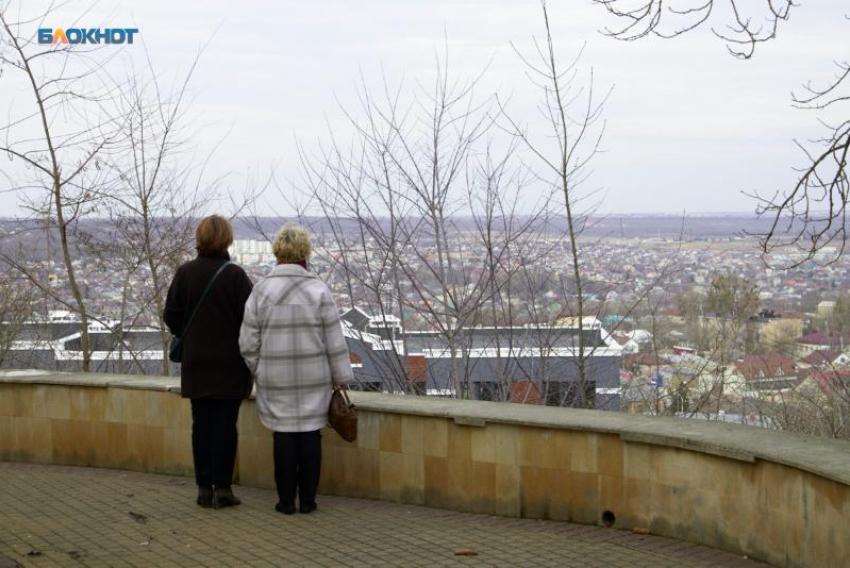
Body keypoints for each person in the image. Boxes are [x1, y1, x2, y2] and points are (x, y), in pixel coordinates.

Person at [239, 223, 352, 515]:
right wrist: (340, 378)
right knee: (311, 435)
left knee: (283, 435)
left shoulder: (261, 291)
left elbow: (247, 342)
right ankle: (309, 501)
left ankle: (286, 501)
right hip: (315, 378)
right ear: (305, 253)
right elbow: (334, 341)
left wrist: (261, 368)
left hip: (275, 377)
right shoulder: (318, 290)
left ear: (277, 251)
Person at [164, 215, 254, 509]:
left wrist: (192, 336)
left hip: (197, 363)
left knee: (200, 425)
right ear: (227, 239)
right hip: (230, 364)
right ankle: (224, 489)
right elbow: (252, 320)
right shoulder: (236, 276)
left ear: (199, 238)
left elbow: (172, 316)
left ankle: (204, 489)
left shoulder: (185, 273)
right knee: (226, 426)